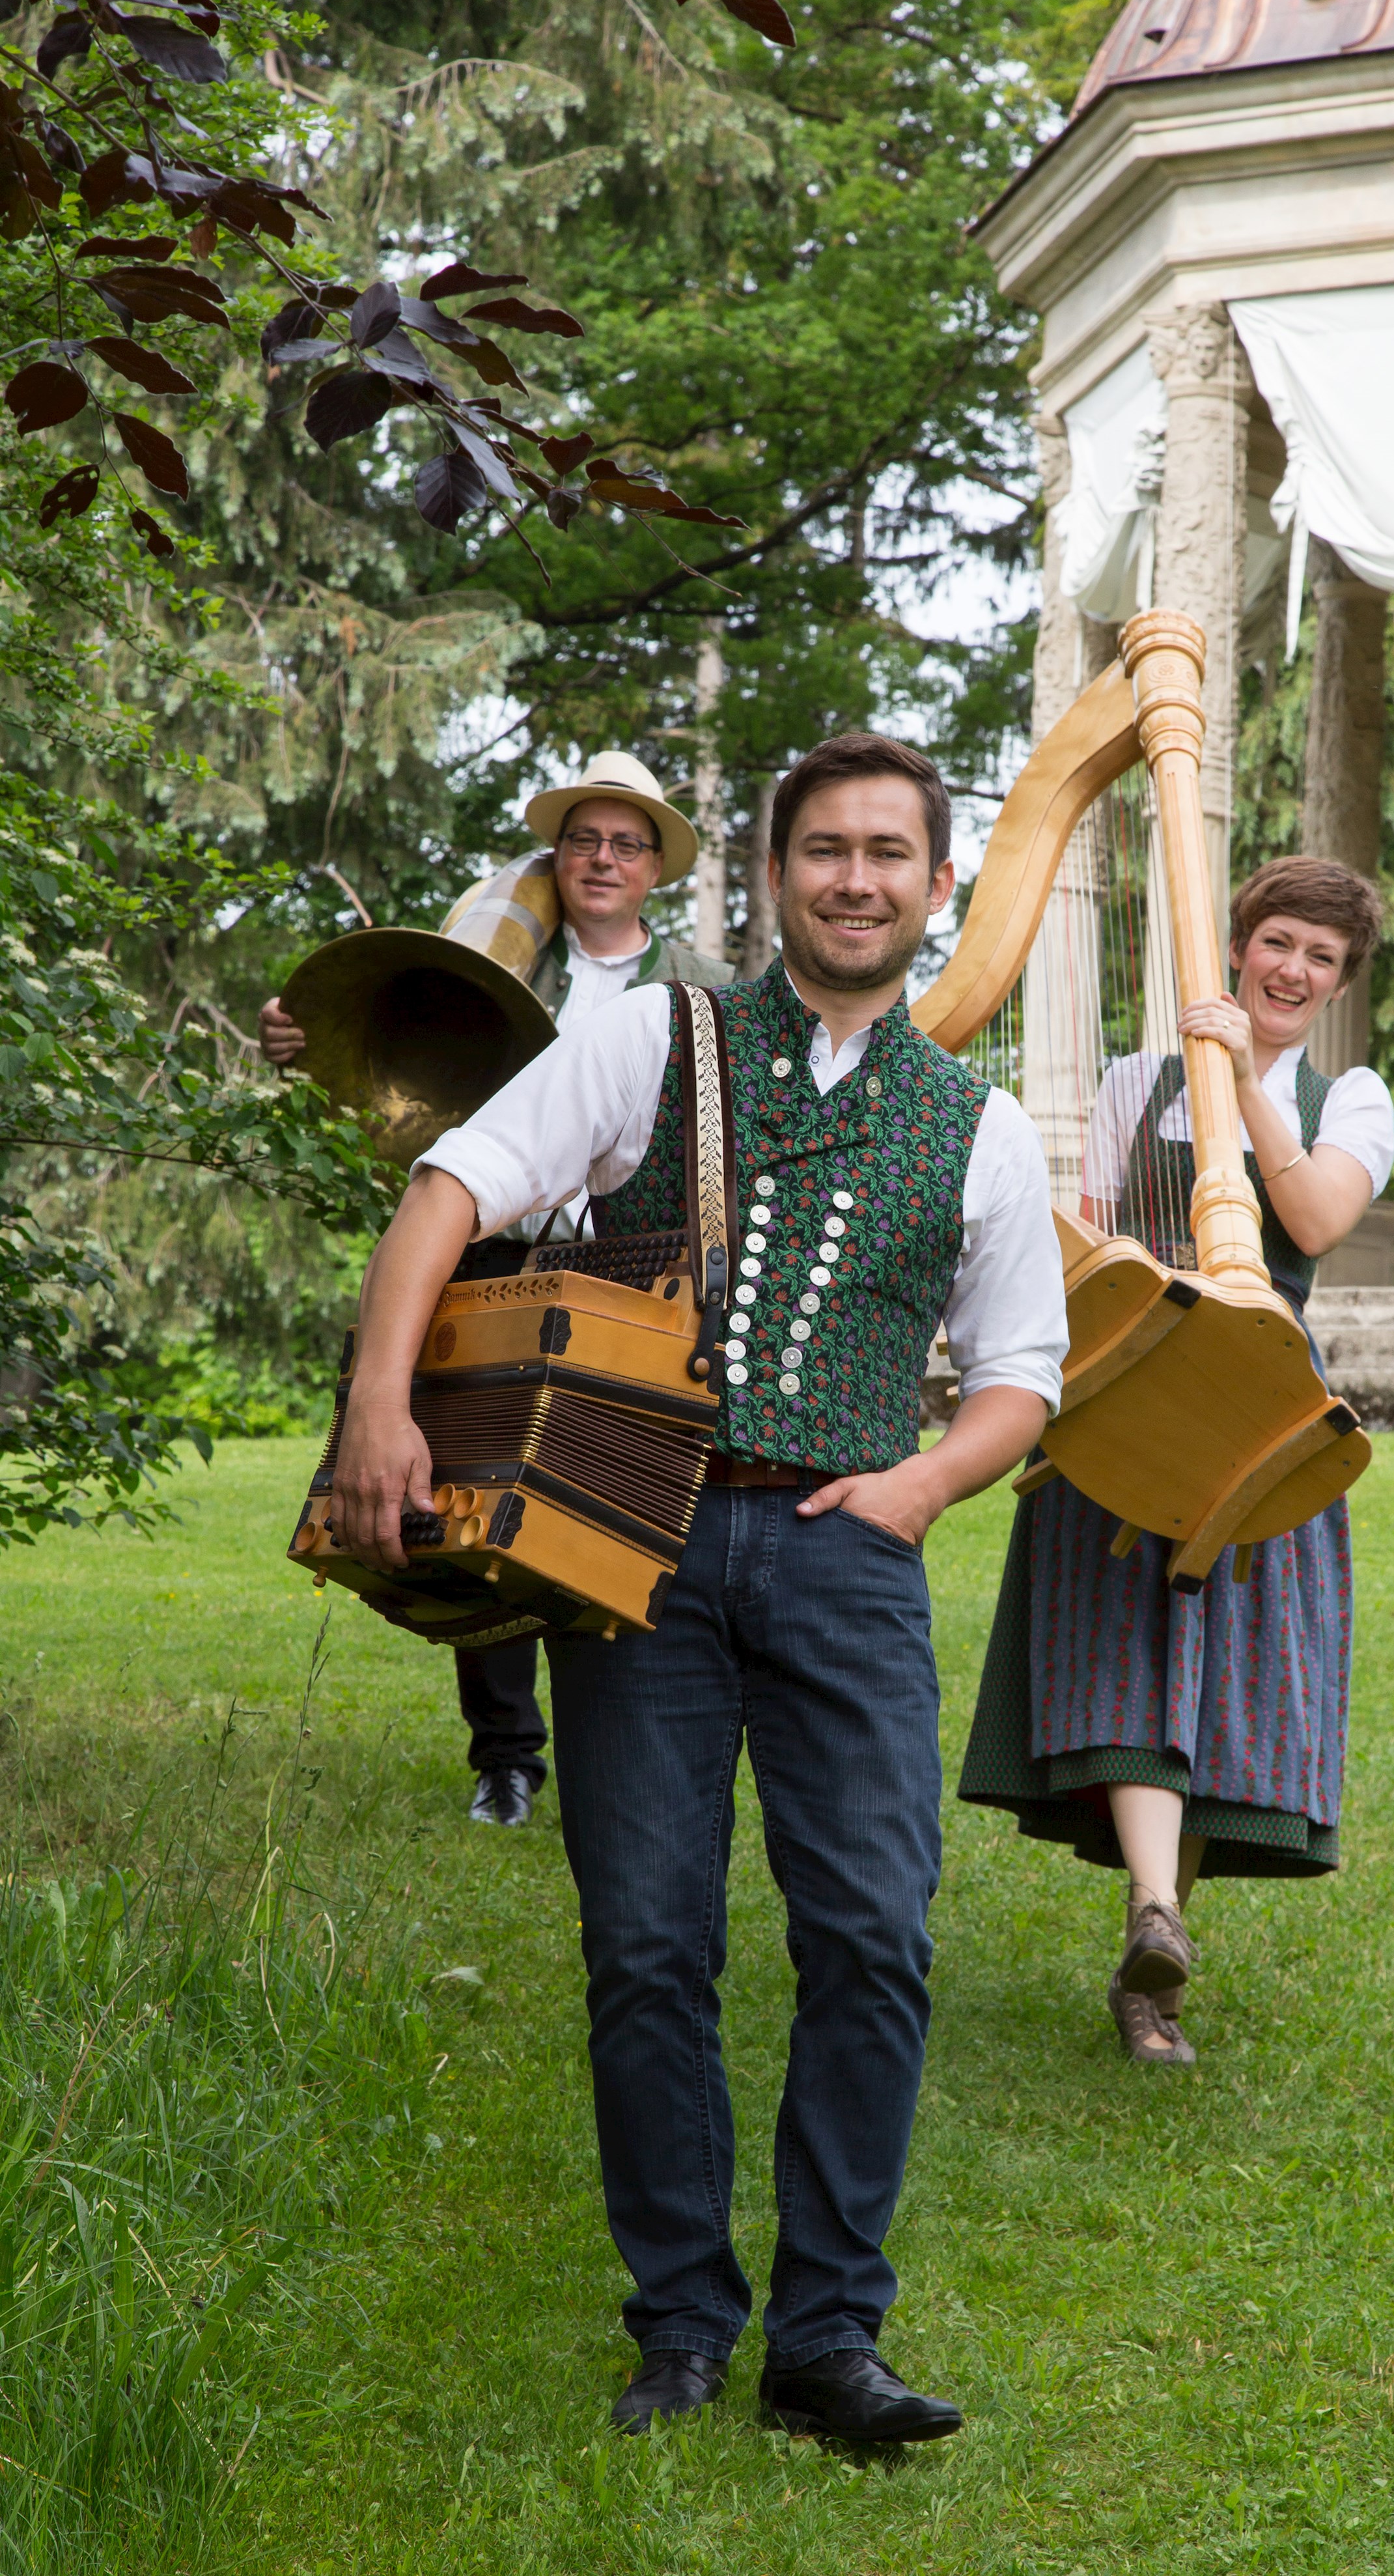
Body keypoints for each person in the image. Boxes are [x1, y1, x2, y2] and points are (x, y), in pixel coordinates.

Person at [329, 731, 1068, 2442]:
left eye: (892, 852)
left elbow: (1023, 1373)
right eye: (826, 850)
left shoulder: (984, 1126)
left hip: (848, 1560)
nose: (859, 878)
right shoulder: (645, 1040)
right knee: (647, 1947)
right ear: (771, 875)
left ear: (936, 886)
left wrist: (919, 1487)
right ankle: (678, 2325)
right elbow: (452, 1190)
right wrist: (380, 1403)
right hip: (636, 1542)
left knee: (871, 1938)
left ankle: (826, 2341)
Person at [959, 855, 1394, 2066]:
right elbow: (1098, 1236)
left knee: (1215, 1683)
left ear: (1339, 980)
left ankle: (1156, 1953)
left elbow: (1312, 1224)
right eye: (1279, 944)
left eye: (1322, 956)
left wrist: (1242, 1083)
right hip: (1131, 1392)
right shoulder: (1128, 1083)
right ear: (1238, 945)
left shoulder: (1349, 1099)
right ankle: (1155, 1922)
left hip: (1258, 1415)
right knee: (1127, 1656)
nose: (1294, 970)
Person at [259, 753, 731, 1831]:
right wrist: (297, 1044)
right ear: (557, 856)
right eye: (582, 841)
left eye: (625, 844)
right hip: (485, 1248)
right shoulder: (498, 954)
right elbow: (397, 1084)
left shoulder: (700, 979)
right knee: (469, 1484)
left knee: (605, 1485)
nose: (601, 860)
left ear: (656, 866)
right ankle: (508, 1758)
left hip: (619, 1258)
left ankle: (635, 1731)